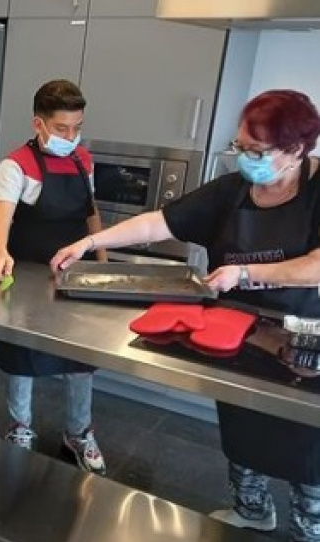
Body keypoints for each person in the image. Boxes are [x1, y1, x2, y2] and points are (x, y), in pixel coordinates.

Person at [52, 89, 320, 541]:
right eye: (240, 147)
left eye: (257, 151)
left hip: (303, 337)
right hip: (235, 329)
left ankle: (309, 528)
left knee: (307, 445)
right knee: (242, 424)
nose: (245, 159)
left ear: (296, 149)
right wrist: (89, 242)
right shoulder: (233, 190)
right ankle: (252, 509)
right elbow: (161, 221)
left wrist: (246, 272)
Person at [0, 80, 107, 474]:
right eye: (61, 128)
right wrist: (0, 252)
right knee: (24, 355)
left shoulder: (83, 160)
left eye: (77, 128)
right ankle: (20, 426)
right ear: (38, 123)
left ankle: (79, 431)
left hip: (73, 274)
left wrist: (102, 257)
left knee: (79, 357)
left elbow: (91, 213)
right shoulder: (16, 165)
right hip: (28, 273)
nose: (70, 137)